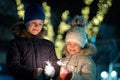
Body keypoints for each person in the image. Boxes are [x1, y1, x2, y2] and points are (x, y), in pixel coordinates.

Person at [6, 3, 60, 80]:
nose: (37, 26)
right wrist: (33, 73)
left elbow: (55, 64)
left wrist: (53, 71)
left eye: (40, 23)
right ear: (26, 22)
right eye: (33, 23)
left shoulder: (48, 45)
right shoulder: (16, 44)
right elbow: (13, 66)